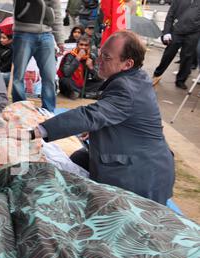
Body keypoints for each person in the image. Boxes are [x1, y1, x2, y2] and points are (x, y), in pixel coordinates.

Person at [30, 31, 175, 205]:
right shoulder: (135, 78)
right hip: (149, 161)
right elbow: (117, 117)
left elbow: (89, 115)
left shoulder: (126, 88)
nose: (98, 60)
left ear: (127, 63)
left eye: (106, 57)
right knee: (79, 158)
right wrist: (96, 130)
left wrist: (37, 131)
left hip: (140, 175)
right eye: (99, 54)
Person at [12, 0, 64, 112]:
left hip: (47, 34)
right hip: (23, 32)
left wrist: (60, 40)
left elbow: (57, 12)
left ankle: (48, 111)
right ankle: (20, 110)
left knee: (49, 76)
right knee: (18, 77)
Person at [152, 0, 200, 90]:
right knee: (168, 54)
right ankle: (157, 73)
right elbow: (170, 15)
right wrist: (167, 32)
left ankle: (181, 80)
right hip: (177, 31)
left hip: (193, 33)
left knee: (187, 57)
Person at [57, 35, 103, 100]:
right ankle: (86, 94)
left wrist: (91, 67)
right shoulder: (70, 55)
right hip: (71, 83)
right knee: (65, 81)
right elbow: (66, 73)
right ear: (77, 45)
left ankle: (78, 93)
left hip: (83, 84)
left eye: (86, 45)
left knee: (101, 82)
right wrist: (77, 58)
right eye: (81, 45)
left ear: (89, 46)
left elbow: (99, 77)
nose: (83, 47)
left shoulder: (91, 57)